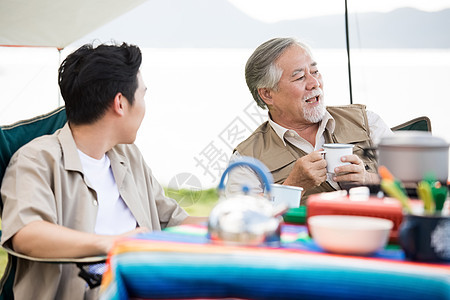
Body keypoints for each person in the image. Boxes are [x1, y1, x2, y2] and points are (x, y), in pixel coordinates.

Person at [0, 42, 206, 299]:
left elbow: (172, 221)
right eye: (142, 95)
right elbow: (26, 234)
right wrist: (114, 244)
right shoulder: (36, 160)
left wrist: (244, 220)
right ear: (120, 103)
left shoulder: (128, 156)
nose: (144, 106)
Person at [226, 37, 393, 203]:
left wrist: (368, 179)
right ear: (267, 94)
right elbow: (244, 219)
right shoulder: (246, 160)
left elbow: (416, 183)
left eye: (315, 72)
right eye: (299, 78)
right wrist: (294, 185)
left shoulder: (367, 122)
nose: (314, 83)